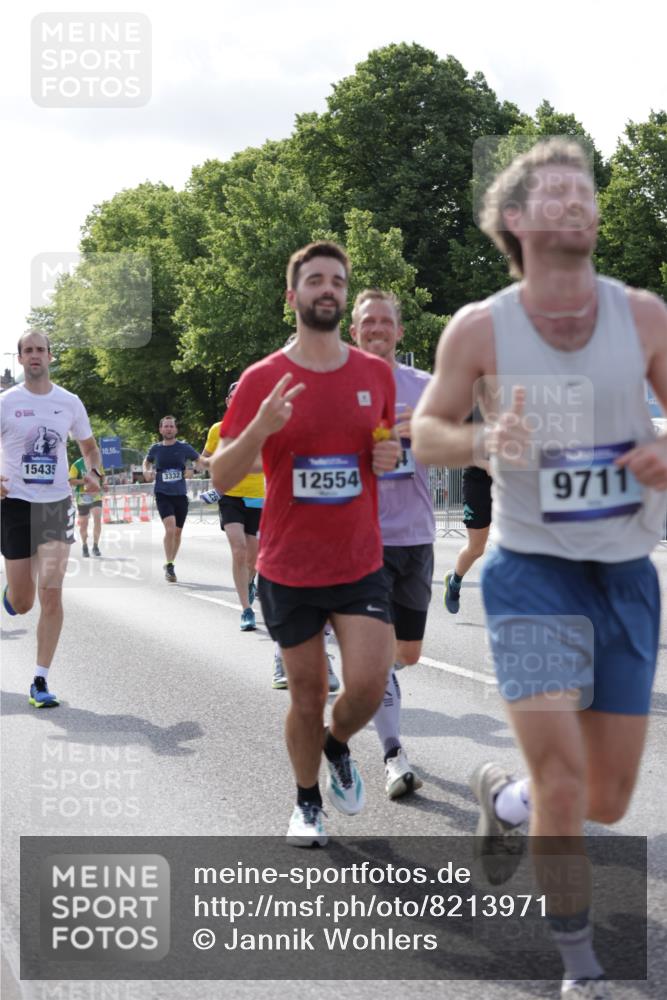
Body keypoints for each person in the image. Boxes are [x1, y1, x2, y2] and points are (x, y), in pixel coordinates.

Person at [412, 138, 667, 998]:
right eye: (556, 194)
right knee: (566, 782)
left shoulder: (643, 317)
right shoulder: (480, 328)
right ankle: (581, 969)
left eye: (585, 193)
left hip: (625, 574)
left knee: (605, 798)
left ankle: (505, 799)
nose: (577, 203)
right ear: (513, 221)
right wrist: (484, 440)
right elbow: (426, 431)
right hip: (531, 573)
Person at [210, 240, 400, 847]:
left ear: (344, 294)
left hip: (358, 560)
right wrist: (261, 428)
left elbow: (382, 447)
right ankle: (306, 800)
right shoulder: (262, 380)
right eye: (315, 280)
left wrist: (389, 454)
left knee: (369, 685)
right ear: (292, 297)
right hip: (290, 566)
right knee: (309, 693)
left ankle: (337, 746)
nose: (328, 289)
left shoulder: (374, 375)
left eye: (337, 281)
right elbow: (218, 474)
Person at [350, 288, 435, 799]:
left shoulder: (425, 387)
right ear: (354, 331)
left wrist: (420, 435)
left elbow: (460, 441)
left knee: (410, 652)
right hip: (363, 541)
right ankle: (393, 756)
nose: (377, 329)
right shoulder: (336, 386)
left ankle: (373, 678)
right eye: (368, 322)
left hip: (417, 536)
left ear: (399, 332)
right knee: (379, 655)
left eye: (386, 321)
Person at [0, 330, 103, 707]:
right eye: (28, 351)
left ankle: (40, 681)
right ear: (20, 358)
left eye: (40, 350)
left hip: (56, 504)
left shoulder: (69, 402)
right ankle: (12, 594)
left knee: (51, 593)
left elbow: (89, 447)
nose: (35, 356)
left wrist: (95, 474)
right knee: (24, 602)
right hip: (15, 504)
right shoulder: (6, 402)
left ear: (50, 356)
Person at [201, 383, 264, 631]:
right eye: (234, 397)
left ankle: (250, 581)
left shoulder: (262, 426)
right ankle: (246, 609)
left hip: (258, 496)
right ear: (228, 401)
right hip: (230, 495)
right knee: (238, 550)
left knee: (254, 558)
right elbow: (205, 458)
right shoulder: (218, 429)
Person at [142, 416, 209, 583]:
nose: (169, 429)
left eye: (171, 426)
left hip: (180, 494)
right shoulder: (156, 449)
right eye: (166, 426)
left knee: (178, 532)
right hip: (162, 494)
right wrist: (146, 471)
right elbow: (147, 462)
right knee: (170, 528)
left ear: (176, 429)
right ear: (161, 429)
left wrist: (193, 469)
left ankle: (170, 562)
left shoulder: (184, 447)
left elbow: (200, 461)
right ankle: (170, 566)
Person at [443, 411, 492, 614]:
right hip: (478, 482)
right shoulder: (472, 406)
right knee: (476, 548)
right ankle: (454, 582)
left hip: (511, 481)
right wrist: (486, 464)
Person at [69, 454, 104, 557]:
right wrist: (84, 481)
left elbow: (102, 476)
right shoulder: (76, 464)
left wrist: (104, 484)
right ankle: (84, 546)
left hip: (96, 496)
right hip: (83, 497)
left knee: (97, 518)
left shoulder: (96, 463)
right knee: (84, 524)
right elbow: (71, 481)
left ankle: (95, 546)